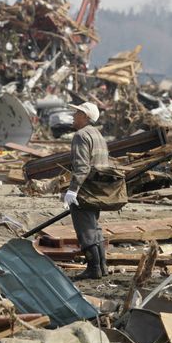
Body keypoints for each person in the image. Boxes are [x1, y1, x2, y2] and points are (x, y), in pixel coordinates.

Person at [63, 102, 109, 280]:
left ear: (85, 116)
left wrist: (73, 190)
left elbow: (82, 167)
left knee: (85, 230)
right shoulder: (97, 134)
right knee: (94, 228)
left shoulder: (81, 135)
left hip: (85, 189)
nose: (74, 116)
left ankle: (93, 269)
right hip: (97, 189)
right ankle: (102, 267)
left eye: (77, 113)